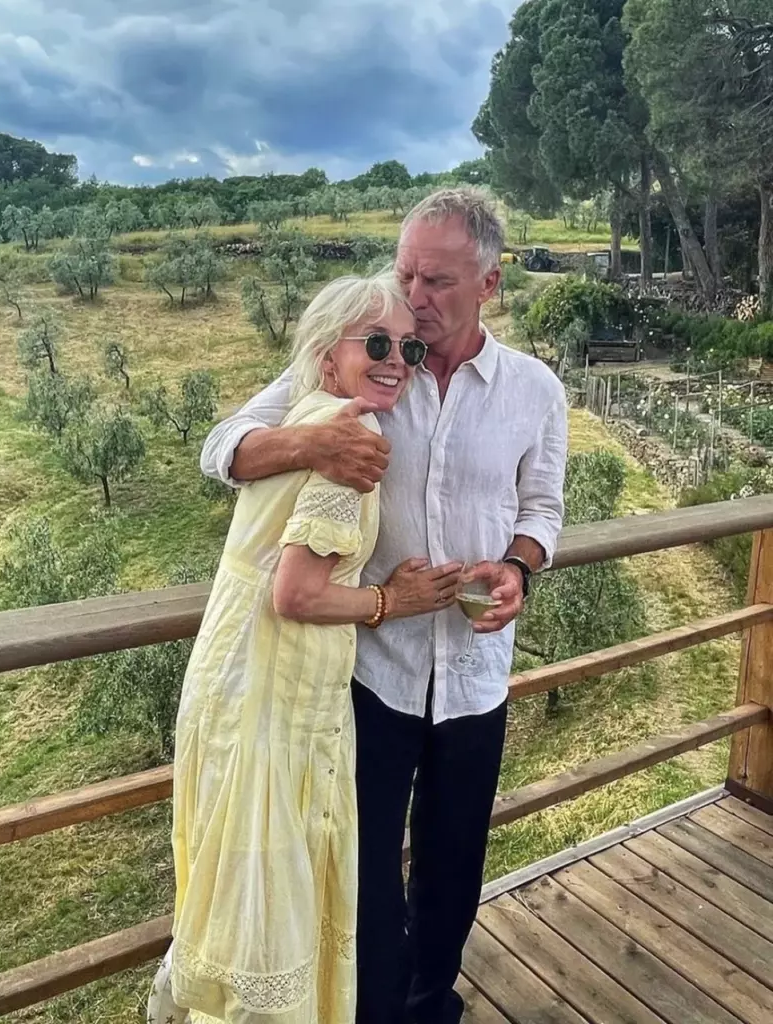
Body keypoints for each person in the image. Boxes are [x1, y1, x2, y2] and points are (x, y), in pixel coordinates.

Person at [200, 188, 568, 1024]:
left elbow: (542, 507)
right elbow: (221, 448)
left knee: (453, 863)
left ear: (489, 283)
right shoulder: (369, 357)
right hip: (368, 676)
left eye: (437, 280)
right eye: (406, 273)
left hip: (475, 672)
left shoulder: (534, 390)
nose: (415, 296)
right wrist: (311, 441)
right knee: (360, 867)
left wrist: (518, 565)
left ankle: (431, 1003)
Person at [168, 272, 463, 1024]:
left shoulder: (310, 412)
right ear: (328, 357)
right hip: (274, 698)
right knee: (274, 900)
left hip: (231, 683)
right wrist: (394, 601)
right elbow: (296, 595)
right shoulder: (351, 441)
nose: (396, 360)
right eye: (376, 344)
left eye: (408, 347)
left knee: (238, 889)